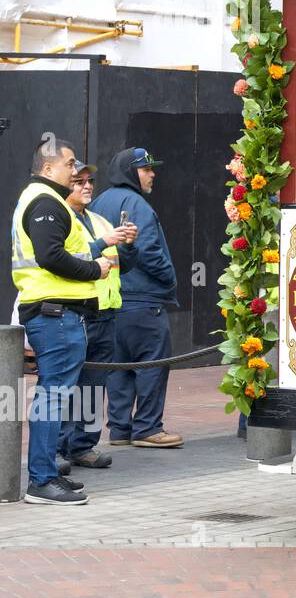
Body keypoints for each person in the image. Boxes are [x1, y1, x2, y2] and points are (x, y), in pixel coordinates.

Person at [10, 137, 110, 504]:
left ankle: (47, 474)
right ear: (48, 167)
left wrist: (96, 252)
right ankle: (41, 480)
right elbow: (51, 255)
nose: (75, 172)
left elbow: (63, 250)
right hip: (54, 313)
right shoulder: (45, 202)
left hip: (56, 312)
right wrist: (94, 270)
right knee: (53, 397)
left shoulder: (45, 201)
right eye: (70, 165)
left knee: (56, 395)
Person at [92, 148, 184, 448]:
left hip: (111, 301)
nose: (152, 173)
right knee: (152, 363)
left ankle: (119, 430)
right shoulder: (136, 203)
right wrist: (170, 279)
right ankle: (147, 428)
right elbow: (149, 252)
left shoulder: (98, 201)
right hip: (143, 300)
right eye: (146, 169)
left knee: (118, 366)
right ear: (132, 172)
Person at [60, 162, 136, 469]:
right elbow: (64, 259)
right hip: (76, 311)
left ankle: (82, 446)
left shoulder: (99, 220)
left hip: (105, 313)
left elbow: (124, 265)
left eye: (90, 181)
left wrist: (128, 245)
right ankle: (57, 447)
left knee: (93, 385)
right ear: (65, 184)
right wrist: (102, 243)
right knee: (66, 383)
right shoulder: (60, 219)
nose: (87, 186)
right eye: (79, 181)